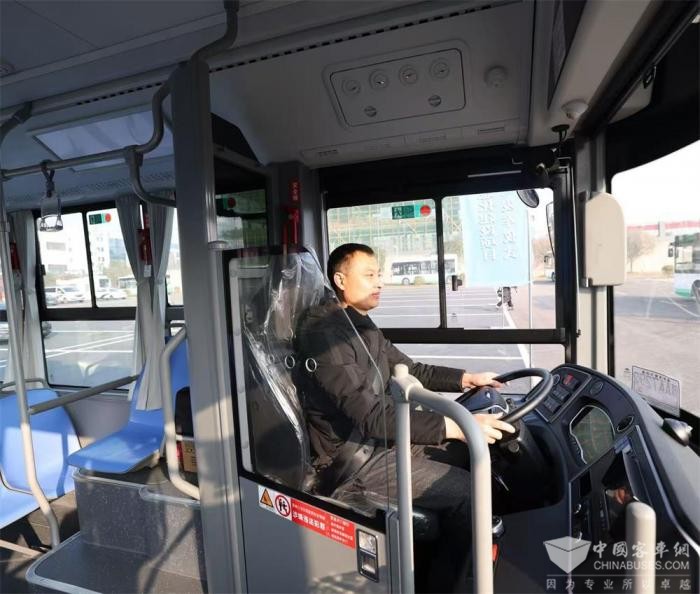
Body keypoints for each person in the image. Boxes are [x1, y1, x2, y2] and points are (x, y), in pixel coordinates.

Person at [295, 243, 515, 592]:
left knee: (473, 457)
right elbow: (370, 416)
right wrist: (456, 426)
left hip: (380, 442)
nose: (379, 282)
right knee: (468, 492)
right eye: (369, 275)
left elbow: (409, 369)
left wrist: (466, 378)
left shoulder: (359, 324)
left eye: (379, 274)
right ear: (340, 280)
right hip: (354, 462)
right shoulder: (323, 336)